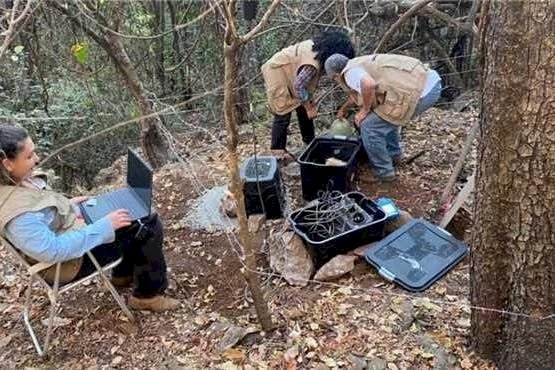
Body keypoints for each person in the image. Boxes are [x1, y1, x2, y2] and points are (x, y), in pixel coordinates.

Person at [0, 125, 179, 312]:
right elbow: (52, 250)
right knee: (147, 222)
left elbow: (45, 215)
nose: (36, 160)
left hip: (71, 233)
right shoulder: (18, 215)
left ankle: (122, 274)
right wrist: (105, 226)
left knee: (130, 212)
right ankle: (147, 296)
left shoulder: (16, 181)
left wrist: (70, 207)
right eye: (29, 156)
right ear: (7, 164)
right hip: (67, 264)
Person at [325, 53, 442, 181]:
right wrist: (344, 109)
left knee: (369, 126)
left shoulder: (349, 73)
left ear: (336, 75)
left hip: (422, 91)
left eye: (333, 79)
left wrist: (364, 111)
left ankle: (383, 172)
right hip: (427, 80)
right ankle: (394, 155)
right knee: (385, 117)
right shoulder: (357, 63)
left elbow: (368, 85)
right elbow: (362, 89)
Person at [261, 30, 355, 159]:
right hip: (277, 71)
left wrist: (308, 105)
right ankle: (278, 152)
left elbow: (302, 86)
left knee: (303, 107)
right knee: (283, 111)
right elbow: (299, 86)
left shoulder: (319, 51)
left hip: (292, 74)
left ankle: (309, 141)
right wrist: (309, 108)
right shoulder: (312, 63)